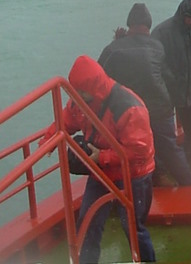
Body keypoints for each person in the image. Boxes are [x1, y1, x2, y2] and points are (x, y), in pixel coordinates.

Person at [41, 55, 155, 264]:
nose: (74, 98)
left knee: (133, 227)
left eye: (79, 93)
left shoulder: (128, 107)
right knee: (88, 222)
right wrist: (49, 138)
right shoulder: (81, 100)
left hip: (134, 173)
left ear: (91, 90)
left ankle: (147, 261)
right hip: (102, 170)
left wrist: (101, 156)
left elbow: (140, 150)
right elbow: (67, 118)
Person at [98, 2, 191, 186]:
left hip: (131, 111)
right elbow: (167, 76)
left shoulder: (113, 49)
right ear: (149, 26)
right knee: (170, 149)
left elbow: (99, 79)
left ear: (129, 24)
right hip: (161, 109)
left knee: (130, 148)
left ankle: (141, 185)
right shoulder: (157, 46)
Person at [151, 0, 191, 165]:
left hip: (188, 84)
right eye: (187, 17)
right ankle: (166, 164)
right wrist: (169, 78)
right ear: (180, 14)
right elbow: (155, 60)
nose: (189, 21)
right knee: (164, 128)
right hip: (167, 86)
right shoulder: (162, 32)